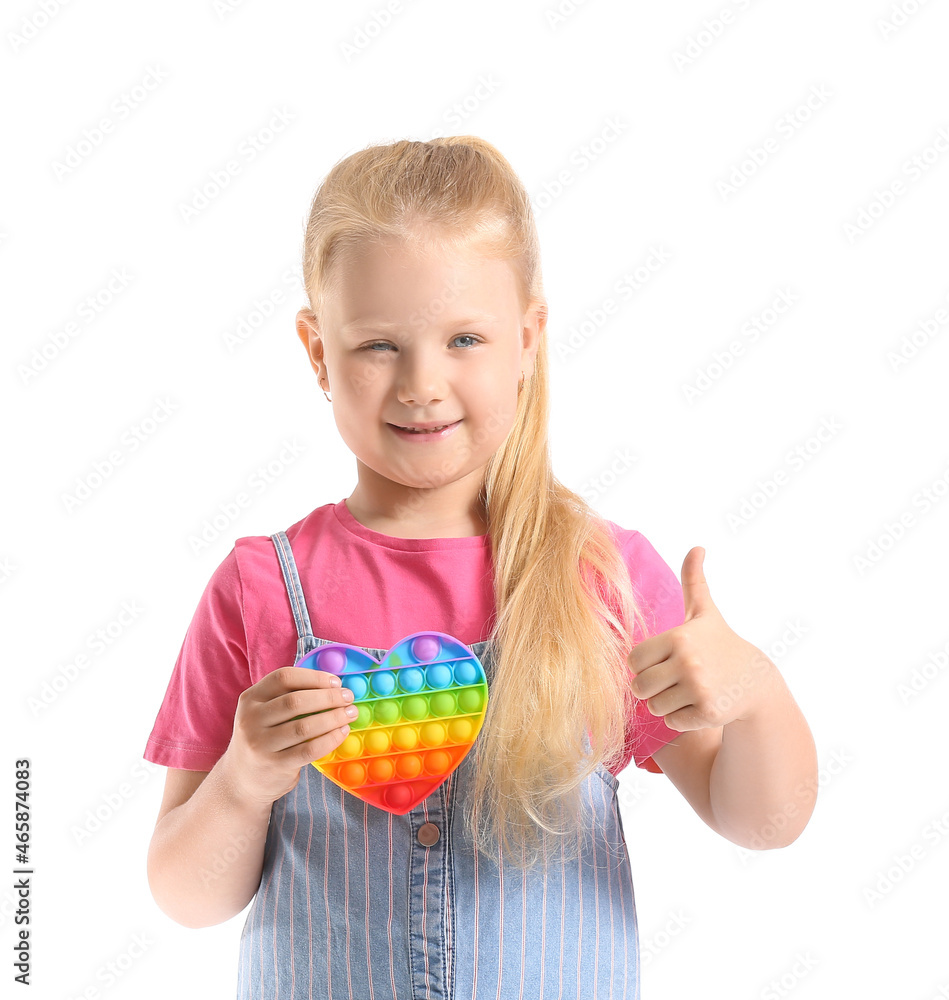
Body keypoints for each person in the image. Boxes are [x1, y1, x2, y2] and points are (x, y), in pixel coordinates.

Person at [144, 136, 817, 1000]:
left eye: (465, 338)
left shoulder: (599, 578)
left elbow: (760, 820)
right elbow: (185, 896)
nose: (422, 382)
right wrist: (243, 780)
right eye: (378, 345)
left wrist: (753, 693)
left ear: (527, 340)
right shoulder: (259, 587)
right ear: (318, 351)